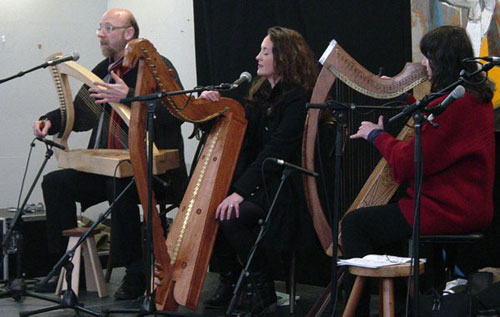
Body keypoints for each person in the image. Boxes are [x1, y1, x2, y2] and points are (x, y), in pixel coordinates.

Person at [32, 8, 187, 300]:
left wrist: (129, 97)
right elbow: (81, 114)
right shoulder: (105, 69)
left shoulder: (155, 66)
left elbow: (176, 111)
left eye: (109, 28)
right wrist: (50, 120)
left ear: (130, 33)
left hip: (153, 169)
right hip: (107, 167)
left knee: (120, 185)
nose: (101, 34)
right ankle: (65, 265)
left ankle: (135, 270)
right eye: (100, 28)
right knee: (56, 183)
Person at [341, 25, 495, 315]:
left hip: (447, 208)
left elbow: (410, 162)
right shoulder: (471, 98)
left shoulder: (457, 105)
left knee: (354, 224)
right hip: (461, 204)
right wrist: (406, 99)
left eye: (428, 57)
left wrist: (377, 136)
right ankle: (401, 307)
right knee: (387, 226)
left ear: (442, 60)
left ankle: (365, 310)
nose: (424, 64)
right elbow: (434, 129)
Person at [199, 26, 319, 314]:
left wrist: (240, 192)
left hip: (285, 186)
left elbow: (275, 151)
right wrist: (207, 110)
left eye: (265, 51)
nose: (257, 56)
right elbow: (235, 134)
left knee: (230, 214)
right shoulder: (261, 93)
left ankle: (261, 289)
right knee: (210, 206)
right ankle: (233, 280)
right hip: (262, 181)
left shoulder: (298, 99)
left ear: (284, 57)